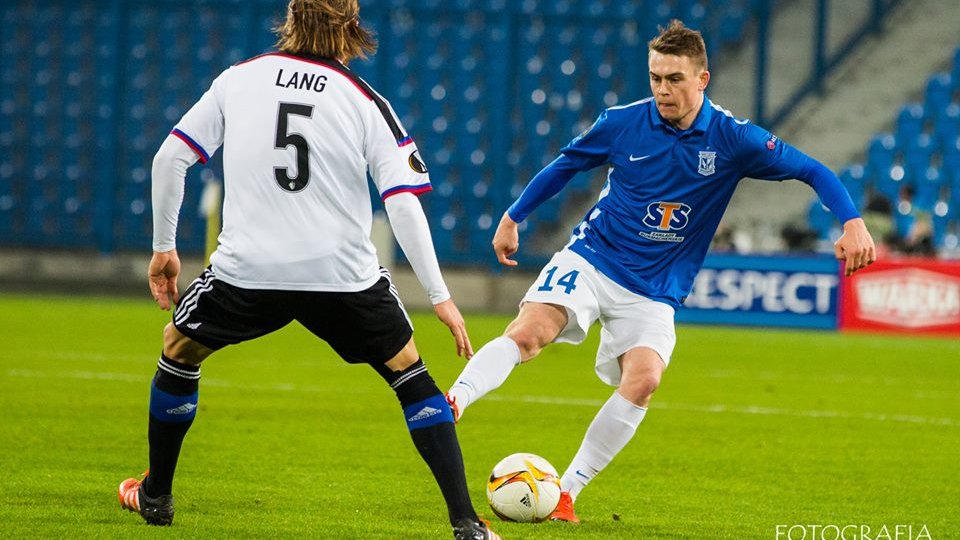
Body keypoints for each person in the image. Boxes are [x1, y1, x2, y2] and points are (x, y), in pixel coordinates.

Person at [446, 19, 876, 523]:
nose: (662, 90)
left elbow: (812, 169)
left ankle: (566, 492)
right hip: (593, 259)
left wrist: (851, 220)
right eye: (655, 78)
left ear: (703, 79)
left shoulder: (733, 139)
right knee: (532, 332)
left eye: (674, 78)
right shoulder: (623, 122)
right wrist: (513, 215)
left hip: (655, 290)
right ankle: (451, 401)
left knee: (645, 379)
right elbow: (564, 165)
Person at [117, 2, 499, 539]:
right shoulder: (366, 101)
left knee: (178, 349)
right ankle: (467, 524)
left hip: (249, 271)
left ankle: (155, 496)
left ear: (291, 17)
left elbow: (169, 159)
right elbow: (403, 202)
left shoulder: (238, 79)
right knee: (411, 378)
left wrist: (164, 249)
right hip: (341, 277)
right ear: (351, 25)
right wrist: (439, 295)